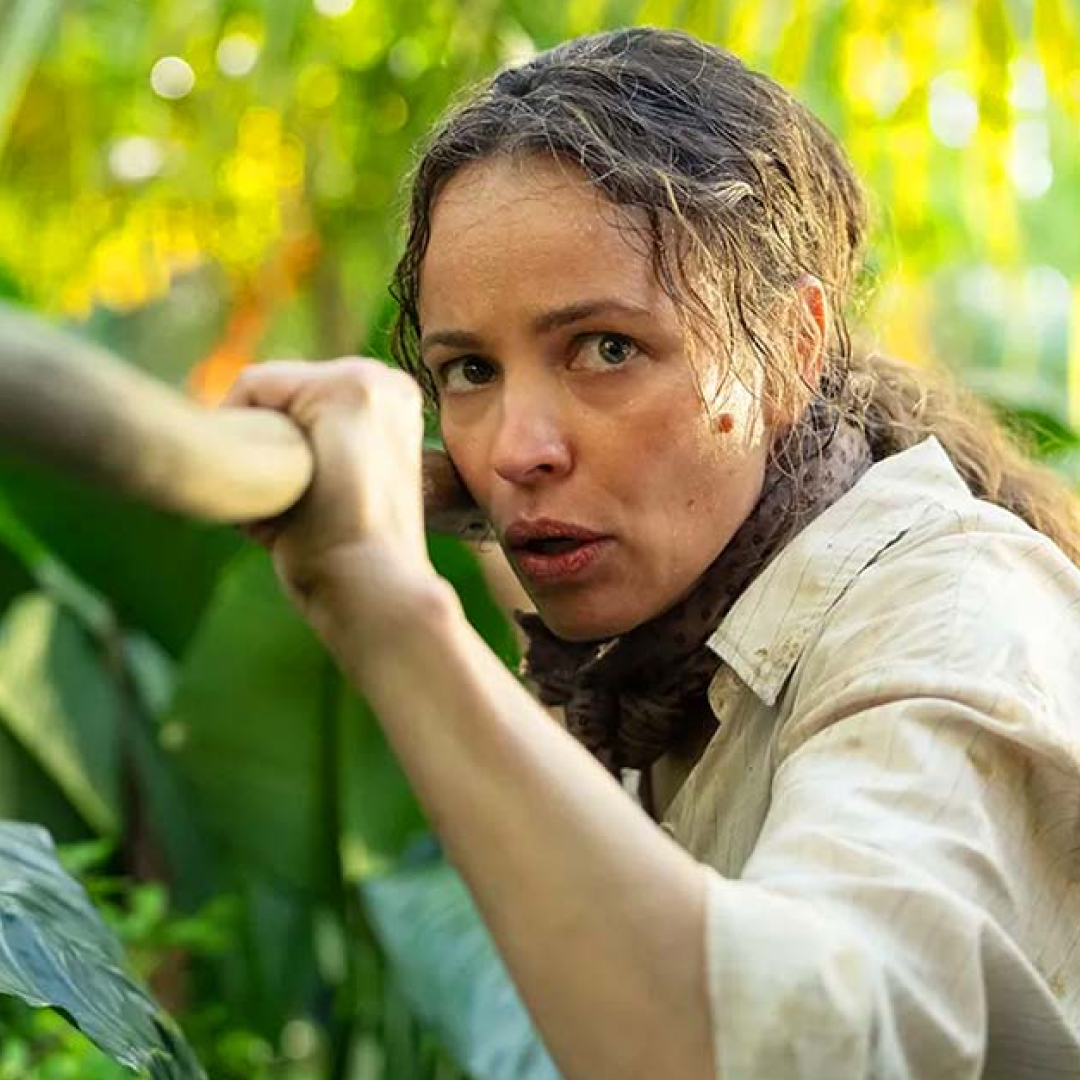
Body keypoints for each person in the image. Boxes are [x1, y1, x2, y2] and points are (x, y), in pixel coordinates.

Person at [221, 26, 1080, 1080]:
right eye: (471, 370)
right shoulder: (667, 669)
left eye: (607, 349)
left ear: (792, 350)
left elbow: (795, 1053)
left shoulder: (954, 614)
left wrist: (388, 607)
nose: (516, 451)